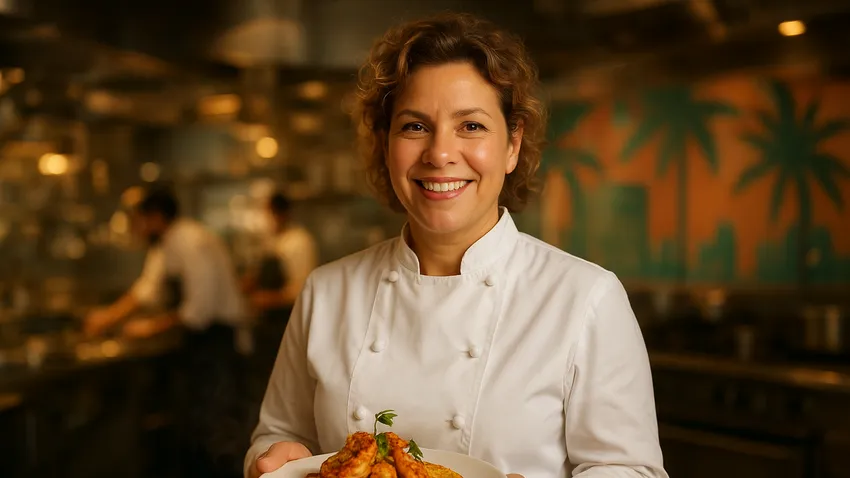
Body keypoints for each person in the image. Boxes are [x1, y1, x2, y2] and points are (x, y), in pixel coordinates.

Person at [245, 13, 667, 478]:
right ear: (385, 144)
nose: (440, 153)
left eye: (471, 126)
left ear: (512, 144)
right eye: (414, 126)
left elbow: (631, 470)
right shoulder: (327, 291)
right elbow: (279, 434)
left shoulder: (585, 298)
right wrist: (275, 455)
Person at [85, 187, 249, 478]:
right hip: (198, 346)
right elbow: (146, 289)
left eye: (139, 220)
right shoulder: (167, 243)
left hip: (216, 344)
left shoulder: (191, 242)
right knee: (194, 426)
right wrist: (107, 318)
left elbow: (199, 311)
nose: (136, 228)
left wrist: (150, 327)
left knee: (217, 429)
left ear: (156, 217)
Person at [243, 191, 318, 319]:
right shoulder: (272, 240)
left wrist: (270, 299)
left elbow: (301, 289)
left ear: (281, 214)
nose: (264, 219)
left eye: (267, 213)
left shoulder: (299, 241)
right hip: (268, 320)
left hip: (288, 317)